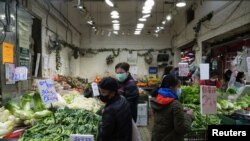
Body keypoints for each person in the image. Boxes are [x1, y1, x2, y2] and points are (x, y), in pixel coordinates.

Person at [151, 75, 193, 141]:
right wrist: (189, 116)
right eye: (177, 87)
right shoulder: (175, 104)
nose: (178, 89)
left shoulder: (157, 99)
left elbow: (166, 114)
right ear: (171, 87)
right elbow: (182, 129)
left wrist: (180, 110)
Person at [97, 77, 132, 141]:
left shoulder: (110, 111)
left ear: (113, 93)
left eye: (103, 92)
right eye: (100, 91)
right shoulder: (122, 99)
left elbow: (104, 135)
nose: (101, 95)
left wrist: (101, 122)